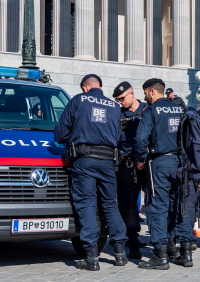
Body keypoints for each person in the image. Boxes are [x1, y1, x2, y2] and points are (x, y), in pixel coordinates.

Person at [54, 74, 128, 271]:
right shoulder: (115, 106)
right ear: (100, 87)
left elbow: (60, 133)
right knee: (110, 205)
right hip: (108, 162)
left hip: (85, 160)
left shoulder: (79, 99)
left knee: (86, 204)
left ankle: (92, 257)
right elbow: (118, 135)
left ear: (84, 88)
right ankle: (120, 253)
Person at [134, 78, 193, 269]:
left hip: (159, 163)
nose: (145, 97)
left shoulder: (151, 111)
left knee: (157, 208)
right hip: (180, 163)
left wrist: (140, 159)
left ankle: (160, 255)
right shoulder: (180, 108)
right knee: (180, 206)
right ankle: (186, 254)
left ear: (151, 91)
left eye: (145, 93)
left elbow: (141, 138)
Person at [113, 81, 147, 259]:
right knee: (129, 206)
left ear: (131, 94)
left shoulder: (147, 110)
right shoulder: (118, 114)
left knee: (154, 205)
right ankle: (133, 243)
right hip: (127, 166)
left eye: (122, 98)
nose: (120, 102)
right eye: (117, 99)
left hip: (147, 164)